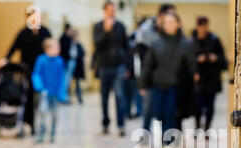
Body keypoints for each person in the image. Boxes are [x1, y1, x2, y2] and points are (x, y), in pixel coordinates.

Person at [139, 13, 197, 145]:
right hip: (157, 84)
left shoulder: (184, 43)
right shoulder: (156, 43)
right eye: (166, 22)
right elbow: (147, 65)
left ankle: (168, 140)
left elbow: (191, 62)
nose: (169, 25)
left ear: (178, 24)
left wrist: (195, 73)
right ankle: (166, 135)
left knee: (170, 113)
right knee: (159, 113)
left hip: (175, 85)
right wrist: (142, 83)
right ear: (162, 25)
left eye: (172, 22)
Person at [0, 10, 52, 135]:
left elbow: (51, 47)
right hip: (27, 70)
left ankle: (41, 123)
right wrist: (6, 59)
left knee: (41, 99)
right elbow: (13, 47)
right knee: (28, 97)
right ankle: (31, 123)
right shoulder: (23, 33)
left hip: (42, 71)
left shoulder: (45, 32)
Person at [135, 4, 176, 137]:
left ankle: (167, 137)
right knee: (148, 108)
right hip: (152, 77)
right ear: (161, 15)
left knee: (168, 110)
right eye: (169, 14)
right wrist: (145, 79)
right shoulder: (146, 30)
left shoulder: (170, 31)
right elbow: (142, 56)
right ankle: (145, 134)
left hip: (168, 77)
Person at [93, 0, 129, 136]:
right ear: (105, 11)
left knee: (119, 96)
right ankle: (105, 123)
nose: (112, 12)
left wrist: (127, 65)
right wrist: (107, 31)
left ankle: (121, 125)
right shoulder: (98, 26)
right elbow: (97, 45)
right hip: (104, 66)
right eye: (109, 9)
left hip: (119, 66)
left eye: (113, 10)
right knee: (104, 97)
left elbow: (126, 47)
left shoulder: (120, 26)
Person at [191, 16, 227, 131]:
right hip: (198, 79)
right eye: (201, 26)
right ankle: (197, 127)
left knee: (210, 106)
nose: (203, 28)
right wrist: (197, 59)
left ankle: (207, 129)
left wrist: (215, 58)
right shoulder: (192, 41)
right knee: (197, 106)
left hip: (212, 78)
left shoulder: (214, 40)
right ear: (197, 26)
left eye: (205, 26)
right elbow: (187, 60)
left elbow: (223, 59)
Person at [31, 38, 66, 143]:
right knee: (42, 113)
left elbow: (62, 78)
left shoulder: (59, 61)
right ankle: (41, 134)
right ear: (47, 49)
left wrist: (62, 93)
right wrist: (40, 87)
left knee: (55, 115)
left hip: (55, 93)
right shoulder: (41, 60)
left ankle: (52, 134)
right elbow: (36, 74)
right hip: (44, 93)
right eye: (56, 47)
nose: (58, 49)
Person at [60, 23, 76, 103]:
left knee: (67, 80)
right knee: (65, 81)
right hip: (66, 61)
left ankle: (65, 96)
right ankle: (63, 97)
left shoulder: (69, 38)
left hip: (69, 61)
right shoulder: (63, 38)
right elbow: (65, 51)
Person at [72, 30, 86, 105]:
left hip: (78, 66)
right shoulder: (71, 44)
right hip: (72, 66)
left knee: (77, 83)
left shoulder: (79, 45)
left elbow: (83, 53)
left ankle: (79, 97)